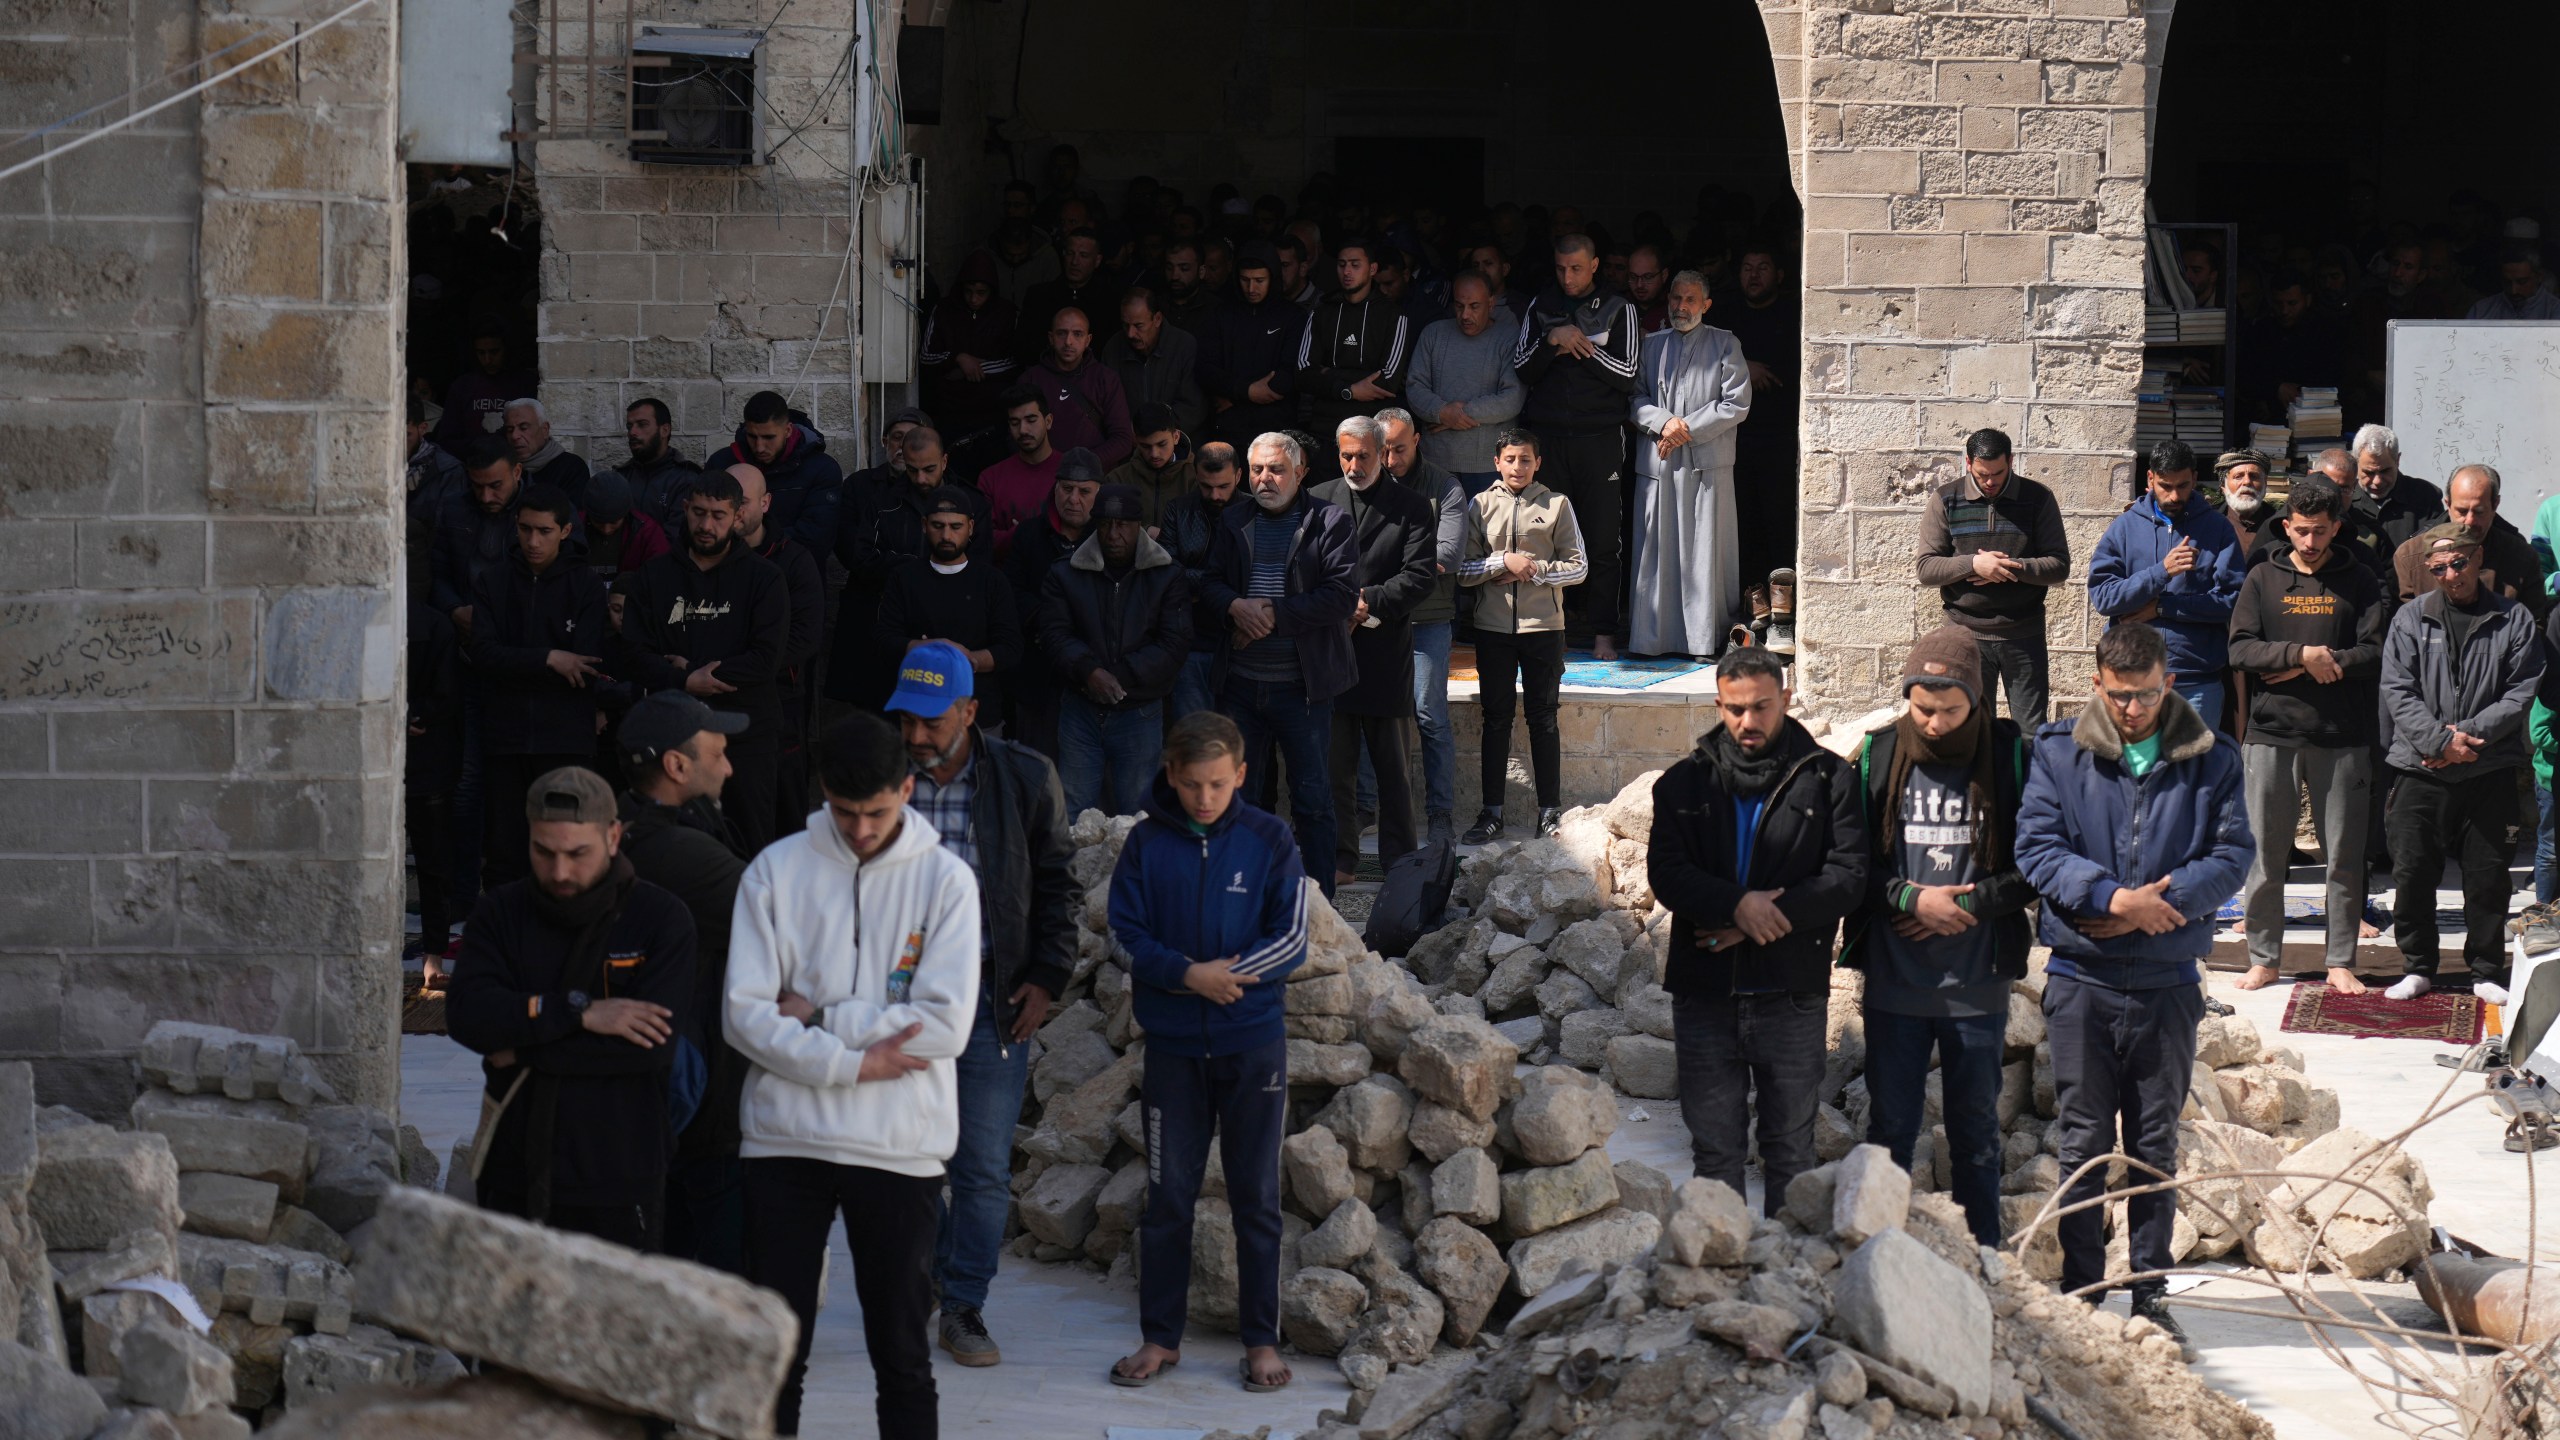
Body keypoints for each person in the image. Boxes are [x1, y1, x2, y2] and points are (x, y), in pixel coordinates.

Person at [727, 712, 980, 1440]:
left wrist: (821, 1019)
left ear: (907, 788)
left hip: (899, 1147)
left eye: (876, 811)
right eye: (844, 812)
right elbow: (744, 1016)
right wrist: (858, 1060)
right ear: (823, 794)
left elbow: (944, 1028)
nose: (860, 829)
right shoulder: (774, 871)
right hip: (785, 1143)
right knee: (776, 1354)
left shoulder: (948, 882)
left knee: (901, 1354)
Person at [2016, 622, 2251, 1347]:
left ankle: (2148, 1293)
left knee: (2154, 1145)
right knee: (2084, 1142)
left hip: (2167, 979)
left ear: (2168, 681)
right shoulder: (2060, 752)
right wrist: (2112, 899)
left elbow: (2234, 853)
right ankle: (2083, 1290)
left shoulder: (2213, 758)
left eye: (2147, 695)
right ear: (2097, 684)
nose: (2133, 710)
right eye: (2120, 697)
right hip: (2082, 977)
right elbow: (2037, 848)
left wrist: (2160, 904)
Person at [874, 646, 1077, 1369]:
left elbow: (1057, 886)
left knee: (984, 1166)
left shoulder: (1023, 777)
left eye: (931, 721)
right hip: (896, 1003)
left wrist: (1047, 977)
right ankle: (925, 1277)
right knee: (904, 1158)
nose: (917, 735)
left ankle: (962, 1304)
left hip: (993, 999)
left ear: (969, 713)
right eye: (907, 719)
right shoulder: (880, 773)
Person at [1105, 711, 1307, 1394]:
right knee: (1168, 1198)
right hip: (1172, 1050)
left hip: (1253, 1046)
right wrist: (1189, 975)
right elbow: (1122, 936)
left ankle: (1259, 1342)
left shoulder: (1270, 839)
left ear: (1241, 775)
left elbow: (1293, 938)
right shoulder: (1144, 845)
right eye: (1191, 784)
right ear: (1170, 774)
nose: (1204, 799)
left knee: (1255, 1196)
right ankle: (1160, 1339)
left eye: (1218, 784)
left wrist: (1232, 975)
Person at [1646, 646, 1864, 1215]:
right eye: (1736, 709)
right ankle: (1721, 1289)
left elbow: (1847, 877)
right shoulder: (1682, 786)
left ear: (1786, 700)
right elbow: (1667, 873)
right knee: (1714, 1154)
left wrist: (1762, 919)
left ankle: (1787, 1288)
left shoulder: (1829, 780)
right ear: (1719, 704)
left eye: (1762, 707)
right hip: (1704, 995)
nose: (1749, 721)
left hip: (1790, 993)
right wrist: (1734, 904)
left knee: (1791, 1151)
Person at [1839, 628, 2034, 1246]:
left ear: (1977, 701)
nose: (1935, 722)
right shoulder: (1877, 755)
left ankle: (1984, 1257)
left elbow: (2038, 862)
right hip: (1896, 981)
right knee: (1890, 1126)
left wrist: (1972, 902)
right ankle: (1881, 1255)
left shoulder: (2010, 758)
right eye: (1922, 708)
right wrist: (1908, 897)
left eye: (1951, 710)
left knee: (1975, 1129)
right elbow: (1845, 866)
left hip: (1977, 982)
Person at [446, 766, 696, 1249]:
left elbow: (647, 1050)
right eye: (544, 852)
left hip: (622, 1174)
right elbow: (470, 1017)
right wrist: (576, 1013)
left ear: (613, 836)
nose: (559, 871)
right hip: (515, 1170)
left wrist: (523, 1049)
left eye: (577, 854)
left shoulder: (660, 919)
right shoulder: (501, 912)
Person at [2224, 475, 2386, 996]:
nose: (2311, 543)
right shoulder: (2262, 579)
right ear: (2287, 526)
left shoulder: (2358, 578)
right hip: (2271, 734)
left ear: (2336, 527)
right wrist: (2299, 657)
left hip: (2342, 735)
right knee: (2267, 854)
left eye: (2321, 532)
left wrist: (2324, 662)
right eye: (2301, 532)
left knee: (2343, 855)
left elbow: (2377, 651)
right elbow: (2240, 650)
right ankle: (2264, 957)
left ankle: (2341, 959)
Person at [612, 691, 752, 1273]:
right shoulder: (680, 852)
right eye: (718, 753)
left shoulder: (631, 827)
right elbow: (789, 924)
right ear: (676, 765)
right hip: (707, 1097)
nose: (729, 766)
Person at [2379, 523, 2543, 1001]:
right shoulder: (2410, 619)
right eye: (2438, 568)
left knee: (2489, 877)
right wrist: (2437, 741)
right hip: (2420, 766)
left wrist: (2471, 736)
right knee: (2412, 873)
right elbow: (2398, 690)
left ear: (2478, 559)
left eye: (2459, 563)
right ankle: (2417, 965)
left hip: (2487, 768)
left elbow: (2521, 689)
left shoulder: (2512, 619)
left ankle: (2487, 969)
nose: (2451, 575)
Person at [1199, 432, 1359, 895]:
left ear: (1300, 472)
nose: (1265, 479)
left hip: (1302, 689)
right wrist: (1233, 606)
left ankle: (1318, 904)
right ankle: (1242, 893)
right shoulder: (1233, 519)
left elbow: (1342, 595)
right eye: (1257, 470)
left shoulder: (1329, 521)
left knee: (1312, 800)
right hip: (1240, 687)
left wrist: (1272, 613)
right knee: (1240, 798)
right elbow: (1208, 584)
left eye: (1276, 470)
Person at [615, 469, 792, 854]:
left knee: (750, 848)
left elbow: (764, 660)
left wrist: (690, 672)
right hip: (673, 740)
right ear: (684, 509)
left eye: (717, 515)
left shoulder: (765, 578)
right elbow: (632, 654)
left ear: (737, 516)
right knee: (673, 851)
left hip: (746, 738)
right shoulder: (655, 576)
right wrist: (683, 682)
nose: (706, 524)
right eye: (698, 513)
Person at [1310, 417, 1436, 883]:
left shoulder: (1412, 506)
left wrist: (1366, 603)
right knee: (1334, 766)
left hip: (1384, 650)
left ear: (1383, 453)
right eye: (1346, 455)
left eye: (1363, 455)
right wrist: (1331, 607)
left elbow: (1420, 575)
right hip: (1330, 649)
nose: (1354, 464)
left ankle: (1399, 859)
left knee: (1393, 770)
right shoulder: (1318, 499)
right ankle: (1341, 858)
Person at [467, 481, 609, 883]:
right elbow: (484, 655)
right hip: (506, 739)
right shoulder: (494, 582)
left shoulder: (584, 586)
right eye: (526, 529)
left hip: (564, 739)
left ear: (565, 531)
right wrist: (549, 658)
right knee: (505, 854)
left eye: (544, 531)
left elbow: (584, 666)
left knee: (568, 847)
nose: (533, 540)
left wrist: (518, 664)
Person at [1513, 234, 1642, 658]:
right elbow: (1521, 367)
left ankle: (1605, 629)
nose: (1567, 278)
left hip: (1600, 439)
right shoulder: (1541, 305)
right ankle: (1554, 628)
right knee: (1546, 538)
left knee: (1603, 539)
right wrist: (1553, 341)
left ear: (1595, 266)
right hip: (1549, 438)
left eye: (1576, 269)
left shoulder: (1620, 308)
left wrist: (1579, 345)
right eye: (1560, 268)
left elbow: (1627, 374)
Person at [1458, 429, 1588, 843]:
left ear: (1538, 463)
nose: (1518, 467)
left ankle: (1549, 812)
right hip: (1493, 630)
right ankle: (1490, 812)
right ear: (1497, 462)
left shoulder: (1556, 505)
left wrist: (1532, 570)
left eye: (1526, 459)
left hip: (1544, 630)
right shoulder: (1479, 505)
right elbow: (1462, 570)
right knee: (1495, 719)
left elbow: (1579, 566)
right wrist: (1502, 562)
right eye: (1510, 459)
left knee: (1543, 719)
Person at [1039, 486, 1194, 816]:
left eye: (1123, 525)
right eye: (1106, 524)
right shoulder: (1065, 572)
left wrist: (1118, 677)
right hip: (1079, 707)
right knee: (1073, 814)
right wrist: (1089, 673)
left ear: (1139, 525)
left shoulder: (1167, 574)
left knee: (1137, 816)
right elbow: (1054, 633)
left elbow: (1174, 643)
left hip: (1139, 710)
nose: (1113, 534)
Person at [1627, 270, 1751, 658]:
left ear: (1706, 305)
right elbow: (1634, 397)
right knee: (1655, 553)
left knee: (1704, 552)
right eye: (1676, 299)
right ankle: (1652, 640)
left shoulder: (1725, 343)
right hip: (1660, 465)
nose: (1681, 307)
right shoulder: (1652, 345)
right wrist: (1664, 422)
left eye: (1690, 300)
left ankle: (1701, 640)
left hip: (1706, 465)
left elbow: (1736, 403)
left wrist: (1686, 428)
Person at [1915, 429, 2072, 725]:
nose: (1990, 482)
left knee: (2030, 732)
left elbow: (2059, 565)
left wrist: (2009, 568)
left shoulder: (2038, 498)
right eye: (1982, 473)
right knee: (1969, 728)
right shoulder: (1946, 499)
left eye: (1998, 473)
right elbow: (1926, 569)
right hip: (1964, 635)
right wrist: (1974, 564)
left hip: (2024, 634)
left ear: (2011, 461)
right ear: (1968, 463)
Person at [2090, 440, 2247, 726]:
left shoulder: (2217, 528)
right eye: (2166, 486)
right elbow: (2103, 598)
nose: (2175, 496)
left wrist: (2164, 607)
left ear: (2195, 479)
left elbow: (2232, 601)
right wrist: (2161, 571)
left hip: (2196, 682)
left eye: (2183, 486)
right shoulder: (2124, 527)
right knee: (2133, 769)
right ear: (2150, 479)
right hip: (2130, 679)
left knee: (2193, 770)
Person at [1376, 410, 1466, 840]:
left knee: (1430, 716)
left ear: (1417, 440)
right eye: (1384, 449)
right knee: (1368, 712)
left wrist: (1384, 570)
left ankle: (1440, 813)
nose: (1390, 458)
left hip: (1428, 617)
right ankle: (1363, 807)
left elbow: (1447, 554)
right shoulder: (1367, 485)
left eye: (1399, 447)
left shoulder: (1445, 487)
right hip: (1375, 618)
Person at [875, 488, 1025, 730]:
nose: (946, 535)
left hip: (978, 717)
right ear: (924, 525)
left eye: (956, 527)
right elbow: (884, 640)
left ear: (971, 527)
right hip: (917, 717)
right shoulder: (903, 577)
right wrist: (924, 649)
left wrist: (967, 659)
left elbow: (1011, 648)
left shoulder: (992, 581)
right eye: (938, 525)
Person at [735, 465, 827, 837]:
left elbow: (805, 637)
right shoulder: (705, 561)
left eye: (741, 501)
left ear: (765, 502)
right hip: (718, 701)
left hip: (779, 700)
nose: (733, 510)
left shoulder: (794, 561)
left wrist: (739, 668)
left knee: (783, 808)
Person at [1005, 449, 1106, 757]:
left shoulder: (1110, 537)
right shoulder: (1028, 534)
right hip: (1038, 674)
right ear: (1055, 488)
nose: (1073, 499)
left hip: (1093, 672)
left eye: (1084, 491)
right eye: (1066, 489)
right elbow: (1011, 590)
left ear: (1099, 494)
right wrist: (1048, 620)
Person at [1719, 243, 1801, 590]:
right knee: (1742, 524)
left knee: (1778, 524)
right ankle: (1751, 602)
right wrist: (1743, 368)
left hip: (1780, 438)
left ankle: (1784, 607)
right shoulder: (1727, 316)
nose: (1753, 275)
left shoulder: (1793, 314)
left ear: (1779, 275)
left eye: (1762, 267)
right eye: (1747, 267)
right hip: (1737, 439)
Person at [1405, 271, 1525, 496]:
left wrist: (1455, 415)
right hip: (1436, 461)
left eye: (1474, 306)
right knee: (1435, 529)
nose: (1465, 314)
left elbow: (1512, 399)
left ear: (1491, 303)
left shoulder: (1510, 337)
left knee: (1486, 532)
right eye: (1459, 306)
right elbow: (1414, 387)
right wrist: (1441, 411)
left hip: (1490, 464)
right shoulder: (1434, 333)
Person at [1294, 238, 1411, 457]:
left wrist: (1329, 373)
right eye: (1342, 264)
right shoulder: (1321, 311)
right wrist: (1349, 390)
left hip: (1372, 433)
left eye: (1355, 265)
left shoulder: (1393, 315)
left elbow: (1389, 381)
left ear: (1372, 269)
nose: (1347, 271)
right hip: (1324, 431)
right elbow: (1303, 375)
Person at [2393, 464, 2548, 620]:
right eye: (2461, 511)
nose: (2469, 521)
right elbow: (2406, 628)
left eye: (2479, 511)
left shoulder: (2522, 557)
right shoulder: (2410, 556)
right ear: (2448, 504)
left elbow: (2533, 625)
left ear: (2495, 504)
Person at [1160, 441, 1245, 722]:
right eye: (1207, 486)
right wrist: (1223, 586)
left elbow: (1254, 576)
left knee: (1242, 740)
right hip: (1192, 640)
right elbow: (1168, 572)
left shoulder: (1252, 512)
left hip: (1239, 642)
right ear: (1196, 477)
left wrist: (1200, 585)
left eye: (1223, 486)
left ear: (1238, 476)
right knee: (1194, 735)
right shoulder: (1179, 510)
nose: (1215, 495)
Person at [706, 391, 845, 550]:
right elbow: (704, 522)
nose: (759, 447)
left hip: (796, 571)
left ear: (788, 431)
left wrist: (755, 547)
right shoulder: (721, 464)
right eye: (752, 436)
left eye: (768, 437)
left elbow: (816, 537)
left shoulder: (822, 469)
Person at [1197, 244, 1304, 449]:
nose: (1251, 288)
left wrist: (1236, 397)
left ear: (1272, 278)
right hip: (1228, 430)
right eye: (1245, 280)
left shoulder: (1293, 317)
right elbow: (1206, 369)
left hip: (1276, 431)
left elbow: (1290, 375)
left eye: (1259, 281)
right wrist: (1246, 391)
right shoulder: (1222, 315)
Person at [919, 252, 1022, 443]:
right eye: (968, 291)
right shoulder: (943, 310)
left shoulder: (1006, 313)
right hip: (949, 407)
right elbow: (926, 356)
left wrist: (968, 370)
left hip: (990, 408)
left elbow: (1014, 360)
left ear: (992, 290)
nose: (973, 299)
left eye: (981, 293)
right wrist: (958, 358)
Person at [1105, 288, 1207, 441]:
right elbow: (1108, 405)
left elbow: (1193, 406)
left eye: (1138, 326)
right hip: (1131, 446)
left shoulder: (1184, 346)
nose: (1130, 334)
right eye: (1126, 325)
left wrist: (1157, 435)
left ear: (1157, 319)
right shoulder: (1114, 347)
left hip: (1176, 445)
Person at [978, 385, 1065, 556]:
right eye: (1015, 423)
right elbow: (982, 539)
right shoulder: (991, 478)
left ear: (1048, 421)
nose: (1023, 430)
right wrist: (1023, 535)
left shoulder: (1070, 472)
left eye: (1031, 420)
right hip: (1008, 577)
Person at [1015, 228, 1117, 365]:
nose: (1075, 262)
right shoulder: (1039, 296)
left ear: (1097, 260)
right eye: (1070, 253)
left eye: (1083, 255)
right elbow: (1024, 347)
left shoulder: (1109, 300)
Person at [2348, 425, 2444, 563]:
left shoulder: (2426, 497)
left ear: (2398, 460)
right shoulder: (2344, 501)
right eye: (2369, 473)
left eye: (2385, 471)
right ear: (2355, 463)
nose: (2377, 481)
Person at [436, 329, 533, 451]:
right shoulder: (463, 386)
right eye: (481, 353)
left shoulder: (524, 383)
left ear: (506, 349)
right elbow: (446, 439)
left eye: (494, 352)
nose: (487, 360)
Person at [615, 397, 703, 529]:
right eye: (630, 426)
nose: (632, 432)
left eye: (642, 424)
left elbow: (676, 537)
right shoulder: (620, 478)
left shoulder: (685, 480)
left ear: (665, 430)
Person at [1105, 402, 1194, 528]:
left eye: (1161, 444)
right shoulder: (1118, 479)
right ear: (1135, 441)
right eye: (1145, 446)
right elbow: (1109, 526)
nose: (1154, 454)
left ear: (1176, 436)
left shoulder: (1196, 477)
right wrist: (1145, 532)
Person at [580, 471, 671, 582]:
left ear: (625, 514)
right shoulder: (573, 530)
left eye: (614, 523)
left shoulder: (647, 533)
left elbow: (661, 576)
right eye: (599, 522)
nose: (606, 530)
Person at [503, 399, 592, 505]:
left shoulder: (571, 468)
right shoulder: (502, 468)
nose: (514, 436)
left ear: (544, 430)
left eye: (523, 428)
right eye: (509, 430)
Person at [407, 393, 465, 523]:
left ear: (422, 429)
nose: (396, 442)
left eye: (406, 435)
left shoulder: (449, 472)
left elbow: (448, 527)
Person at [2466, 245, 2560, 321]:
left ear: (2539, 277)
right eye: (2507, 282)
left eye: (2522, 282)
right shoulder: (2481, 310)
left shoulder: (2555, 310)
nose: (2513, 290)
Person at [2211, 448, 2276, 558]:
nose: (2247, 482)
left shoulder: (2278, 524)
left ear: (2265, 483)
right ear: (2223, 486)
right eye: (2238, 477)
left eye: (2254, 476)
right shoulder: (2209, 522)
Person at [1626, 244, 1671, 335]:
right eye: (1633, 277)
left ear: (1664, 275)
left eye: (1648, 277)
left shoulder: (1675, 307)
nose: (1639, 285)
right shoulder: (1618, 306)